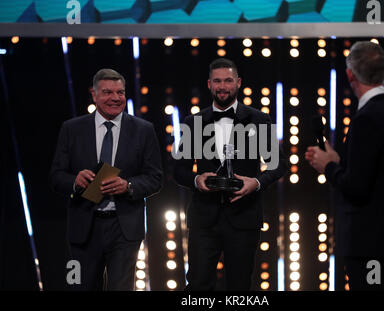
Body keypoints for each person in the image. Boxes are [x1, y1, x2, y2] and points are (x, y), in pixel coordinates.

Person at [305, 41, 384, 290]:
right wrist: (339, 161)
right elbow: (380, 172)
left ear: (349, 74)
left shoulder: (368, 118)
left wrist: (328, 167)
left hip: (371, 243)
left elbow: (357, 188)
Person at [174, 58, 287, 290]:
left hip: (244, 218)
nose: (222, 86)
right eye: (217, 81)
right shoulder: (193, 122)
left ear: (238, 83)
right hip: (204, 220)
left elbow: (278, 164)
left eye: (228, 80)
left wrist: (255, 182)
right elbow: (178, 170)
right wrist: (197, 180)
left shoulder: (259, 120)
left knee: (239, 287)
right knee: (197, 285)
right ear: (209, 84)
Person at [50, 69, 163, 290]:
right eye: (107, 92)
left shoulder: (144, 130)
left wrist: (128, 185)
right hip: (84, 227)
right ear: (94, 94)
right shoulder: (72, 129)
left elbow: (155, 178)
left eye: (120, 92)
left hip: (124, 228)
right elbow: (56, 177)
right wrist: (76, 181)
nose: (115, 98)